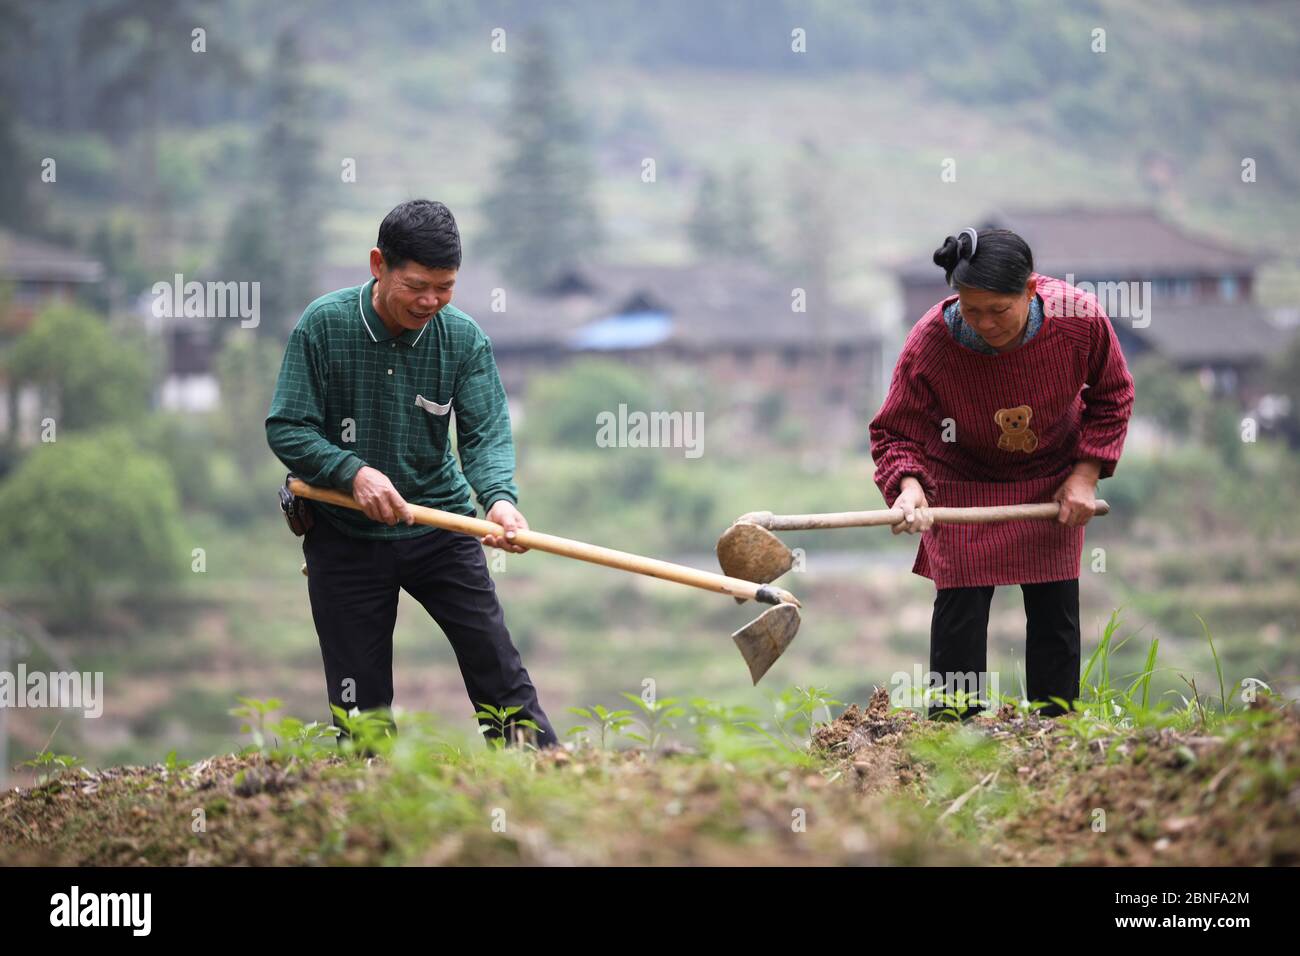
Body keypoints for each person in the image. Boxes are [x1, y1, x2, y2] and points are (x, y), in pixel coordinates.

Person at [265, 199, 560, 748]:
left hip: (440, 527)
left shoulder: (463, 339)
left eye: (445, 287)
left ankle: (539, 770)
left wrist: (497, 498)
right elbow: (288, 428)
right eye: (418, 285)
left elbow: (485, 434)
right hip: (344, 534)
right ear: (379, 265)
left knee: (496, 664)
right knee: (360, 706)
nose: (431, 301)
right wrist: (353, 473)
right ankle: (373, 797)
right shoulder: (323, 327)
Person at [869, 227, 1135, 720]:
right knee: (959, 617)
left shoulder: (1079, 320)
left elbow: (1113, 394)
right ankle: (956, 733)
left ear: (1031, 290)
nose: (985, 323)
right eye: (973, 310)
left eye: (998, 310)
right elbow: (895, 431)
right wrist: (909, 488)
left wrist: (1084, 475)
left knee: (1055, 612)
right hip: (961, 483)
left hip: (1051, 479)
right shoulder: (931, 343)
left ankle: (1054, 731)